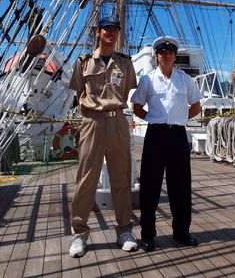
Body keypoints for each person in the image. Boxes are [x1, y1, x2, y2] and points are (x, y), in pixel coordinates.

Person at [68, 17, 138, 257]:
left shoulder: (126, 64)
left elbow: (127, 90)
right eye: (106, 29)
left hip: (118, 121)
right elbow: (79, 92)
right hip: (92, 123)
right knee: (86, 178)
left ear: (118, 33)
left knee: (122, 178)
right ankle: (79, 234)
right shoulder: (83, 62)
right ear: (98, 32)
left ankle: (124, 231)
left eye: (114, 29)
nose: (110, 33)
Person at [131, 35, 202, 252]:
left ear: (174, 55)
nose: (166, 55)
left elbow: (196, 106)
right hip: (155, 135)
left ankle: (181, 232)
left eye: (170, 52)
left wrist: (179, 118)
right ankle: (148, 235)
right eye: (162, 52)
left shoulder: (185, 80)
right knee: (150, 187)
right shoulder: (148, 80)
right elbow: (137, 107)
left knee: (180, 187)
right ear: (157, 56)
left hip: (178, 136)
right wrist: (155, 119)